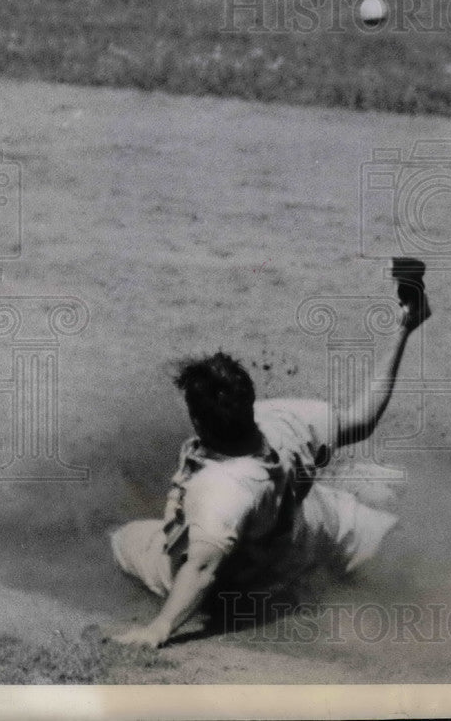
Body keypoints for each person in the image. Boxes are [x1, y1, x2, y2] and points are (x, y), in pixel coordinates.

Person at [110, 263, 430, 648]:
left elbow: (202, 568)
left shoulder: (223, 490)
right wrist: (403, 329)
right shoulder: (284, 419)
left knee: (120, 539)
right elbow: (363, 420)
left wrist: (157, 629)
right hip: (311, 535)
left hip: (253, 580)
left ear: (197, 420)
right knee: (380, 534)